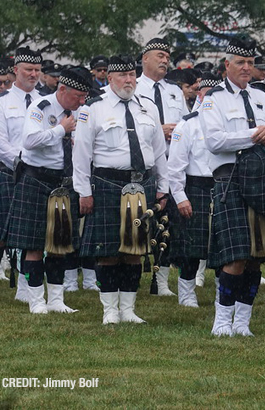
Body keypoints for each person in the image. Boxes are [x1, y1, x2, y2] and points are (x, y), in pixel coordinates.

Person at [200, 35, 265, 337]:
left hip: (262, 180)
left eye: (250, 62)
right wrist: (254, 134)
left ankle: (243, 322)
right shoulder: (213, 99)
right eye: (240, 62)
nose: (246, 67)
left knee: (256, 256)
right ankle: (222, 321)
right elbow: (214, 141)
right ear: (227, 65)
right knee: (235, 255)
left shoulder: (263, 97)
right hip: (231, 181)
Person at [73, 54, 169, 324]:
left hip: (144, 184)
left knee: (135, 251)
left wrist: (163, 188)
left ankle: (128, 309)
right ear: (109, 78)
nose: (129, 81)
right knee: (108, 251)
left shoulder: (148, 107)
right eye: (123, 76)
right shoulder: (93, 107)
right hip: (107, 184)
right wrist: (84, 192)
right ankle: (109, 310)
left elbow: (159, 152)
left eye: (132, 75)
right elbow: (81, 154)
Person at [0, 68, 92, 314]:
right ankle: (36, 300)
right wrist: (61, 130)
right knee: (34, 245)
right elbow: (29, 140)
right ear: (62, 90)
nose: (82, 101)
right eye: (78, 96)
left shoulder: (81, 111)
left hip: (64, 182)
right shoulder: (40, 107)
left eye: (84, 97)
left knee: (59, 244)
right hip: (37, 179)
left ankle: (57, 300)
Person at [0, 46, 43, 304]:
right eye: (28, 69)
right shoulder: (0, 104)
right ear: (15, 70)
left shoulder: (46, 102)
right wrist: (22, 163)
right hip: (12, 172)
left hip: (40, 176)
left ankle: (26, 291)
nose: (33, 74)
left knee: (34, 237)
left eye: (38, 70)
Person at [136, 37, 189, 296]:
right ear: (145, 58)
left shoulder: (174, 91)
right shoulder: (133, 88)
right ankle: (131, 276)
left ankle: (161, 280)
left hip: (171, 162)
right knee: (140, 220)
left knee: (168, 224)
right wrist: (159, 130)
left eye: (167, 56)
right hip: (144, 163)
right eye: (159, 55)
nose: (165, 60)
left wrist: (176, 130)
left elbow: (186, 123)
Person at [167, 74, 221, 307]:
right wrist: (180, 197)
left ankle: (223, 292)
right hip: (196, 187)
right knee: (191, 247)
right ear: (199, 93)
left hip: (222, 187)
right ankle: (186, 292)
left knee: (223, 247)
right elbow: (175, 166)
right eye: (206, 91)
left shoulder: (226, 123)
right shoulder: (187, 124)